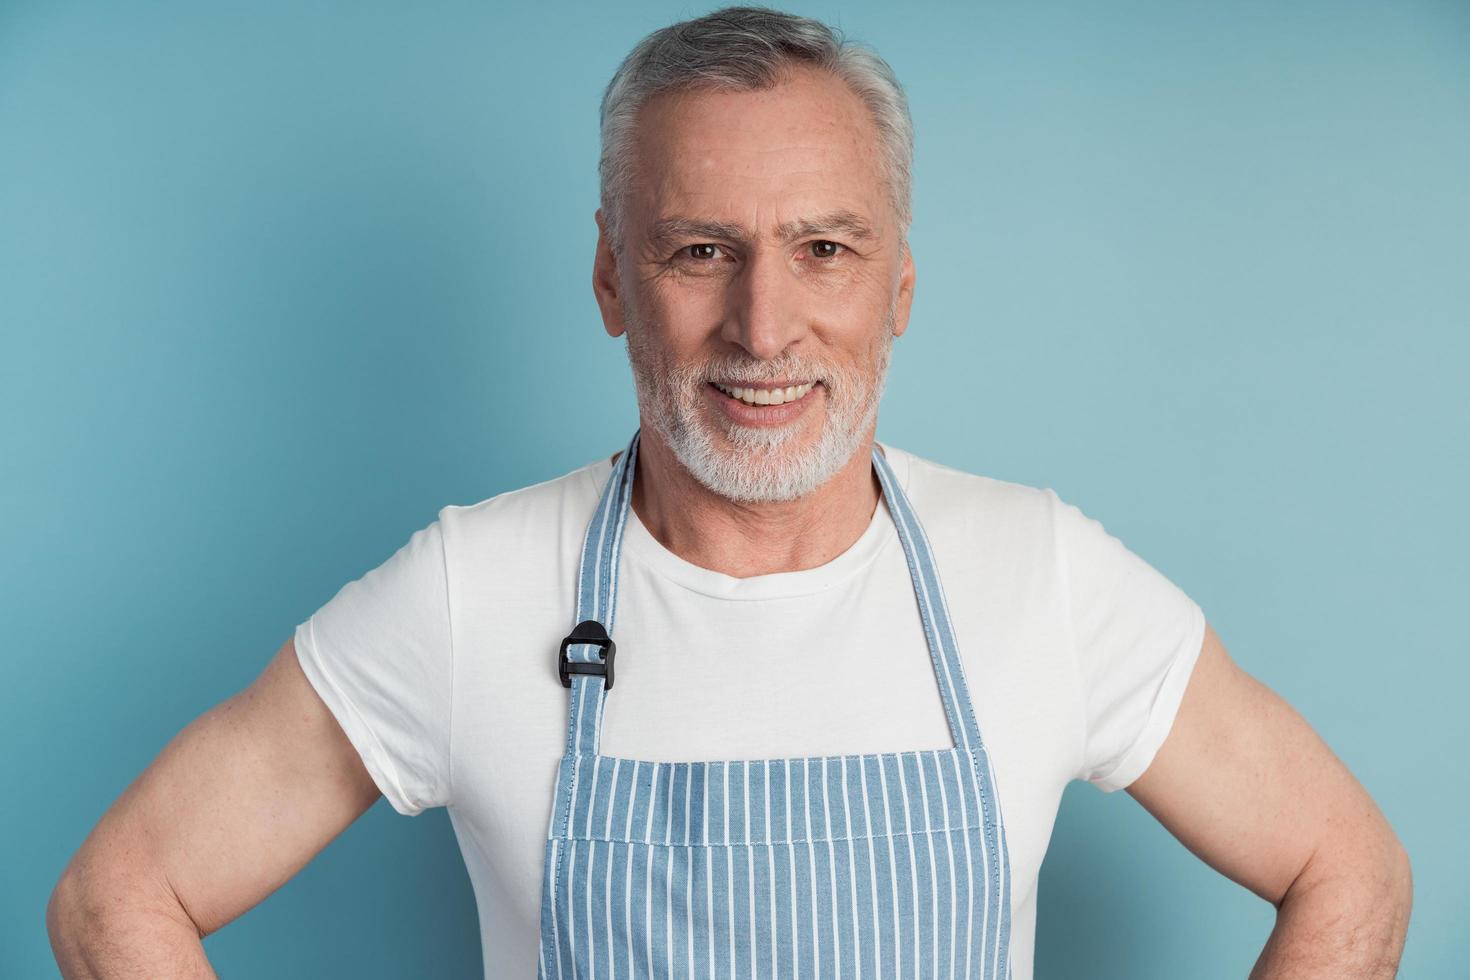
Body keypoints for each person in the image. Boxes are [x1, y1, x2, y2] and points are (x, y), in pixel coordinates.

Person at [47, 6, 1412, 978]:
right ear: (609, 281)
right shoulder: (475, 589)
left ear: (897, 287)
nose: (764, 328)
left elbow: (1349, 871)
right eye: (700, 250)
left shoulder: (1037, 575)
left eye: (822, 247)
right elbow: (120, 898)